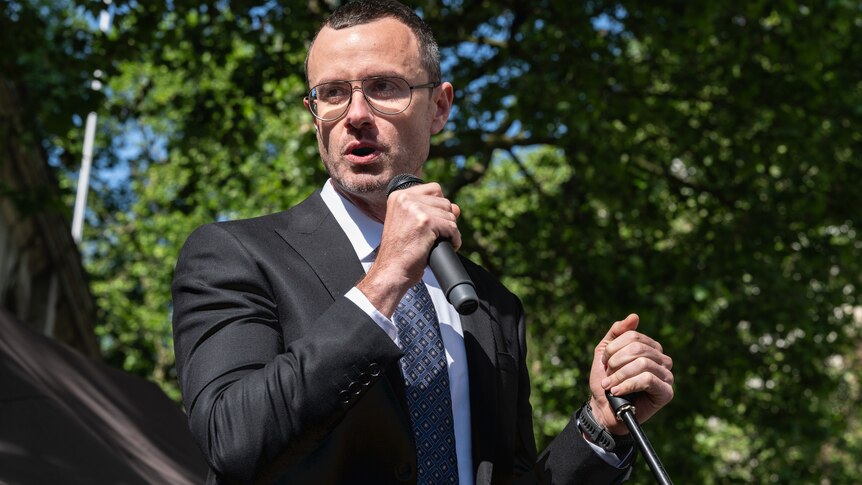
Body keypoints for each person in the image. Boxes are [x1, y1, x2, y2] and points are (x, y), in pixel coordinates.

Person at [171, 1, 674, 483]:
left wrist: (600, 426)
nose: (356, 114)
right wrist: (386, 279)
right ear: (314, 113)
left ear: (439, 107)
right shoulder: (235, 256)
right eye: (331, 93)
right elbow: (232, 439)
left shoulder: (489, 303)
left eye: (383, 87)